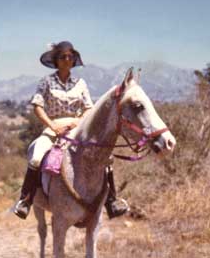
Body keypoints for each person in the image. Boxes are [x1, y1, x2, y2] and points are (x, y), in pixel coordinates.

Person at [13, 41, 129, 219]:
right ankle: (25, 200)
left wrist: (79, 123)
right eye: (63, 57)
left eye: (70, 57)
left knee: (107, 157)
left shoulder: (80, 83)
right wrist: (52, 126)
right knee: (36, 155)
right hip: (53, 128)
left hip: (78, 129)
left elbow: (89, 108)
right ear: (56, 60)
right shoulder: (46, 82)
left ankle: (111, 200)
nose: (67, 60)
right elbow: (37, 106)